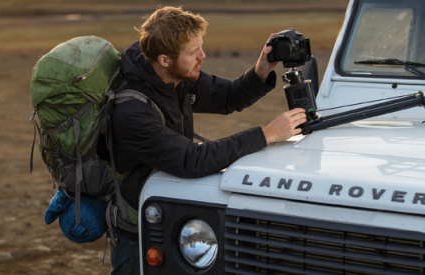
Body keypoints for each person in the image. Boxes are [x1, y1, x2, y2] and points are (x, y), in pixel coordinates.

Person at [107, 6, 306, 274]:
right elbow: (191, 160)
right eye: (193, 52)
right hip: (138, 224)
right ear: (164, 59)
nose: (202, 56)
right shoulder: (132, 110)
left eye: (200, 47)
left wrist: (261, 71)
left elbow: (228, 96)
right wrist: (267, 135)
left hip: (171, 209)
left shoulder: (176, 78)